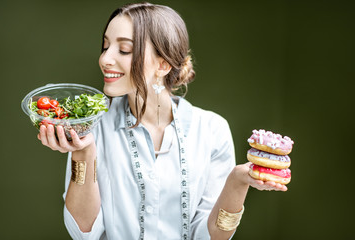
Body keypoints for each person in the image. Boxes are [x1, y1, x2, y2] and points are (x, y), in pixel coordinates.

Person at [37, 2, 287, 240]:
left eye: (124, 49)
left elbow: (211, 237)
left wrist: (237, 181)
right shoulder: (91, 127)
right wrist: (84, 152)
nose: (105, 59)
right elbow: (84, 233)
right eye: (105, 46)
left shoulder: (211, 131)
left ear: (164, 64)